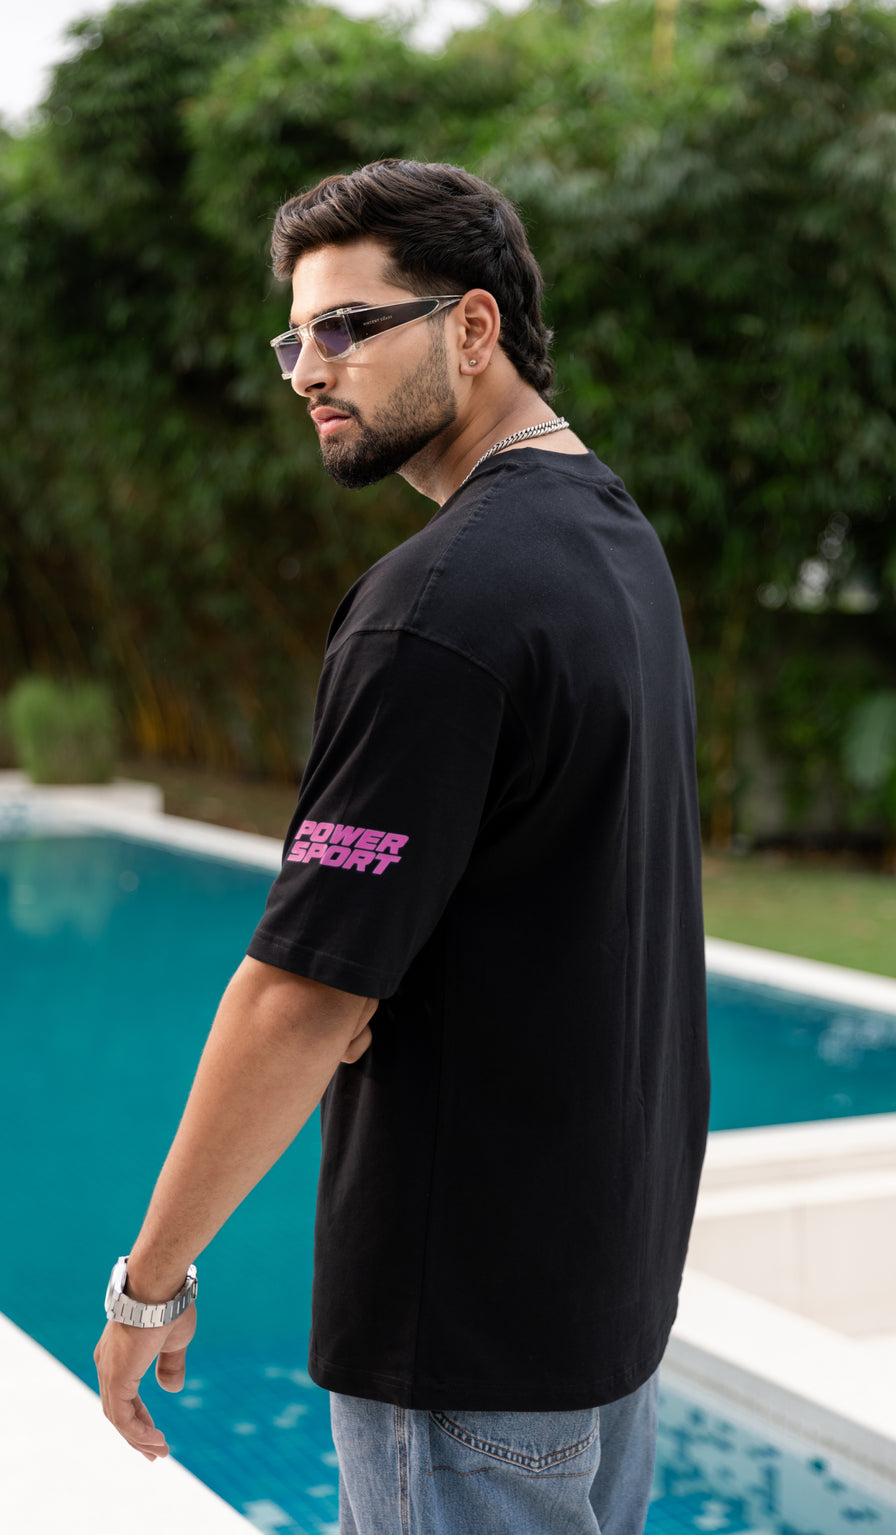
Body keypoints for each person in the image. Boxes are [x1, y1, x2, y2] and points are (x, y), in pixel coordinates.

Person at [94, 159, 710, 1535]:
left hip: (469, 1340)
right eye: (295, 337)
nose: (309, 370)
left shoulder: (436, 606)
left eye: (348, 329)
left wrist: (152, 1282)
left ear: (473, 330)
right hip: (599, 1316)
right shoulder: (614, 543)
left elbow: (303, 995)